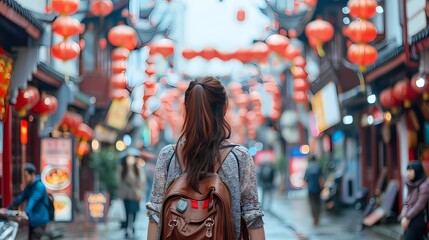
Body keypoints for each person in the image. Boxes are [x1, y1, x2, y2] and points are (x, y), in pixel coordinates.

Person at [146, 77, 265, 240]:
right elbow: (253, 218)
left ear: (186, 109)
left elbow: (155, 215)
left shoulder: (168, 156)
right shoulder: (239, 158)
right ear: (224, 109)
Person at [8, 163, 50, 240]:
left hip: (40, 220)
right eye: (23, 176)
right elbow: (21, 198)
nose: (24, 179)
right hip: (32, 220)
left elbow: (33, 200)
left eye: (26, 176)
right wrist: (9, 208)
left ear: (32, 174)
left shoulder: (39, 186)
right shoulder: (29, 186)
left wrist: (25, 211)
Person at [118, 147, 144, 239]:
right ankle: (127, 229)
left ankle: (132, 226)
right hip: (126, 195)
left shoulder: (138, 169)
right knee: (127, 212)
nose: (130, 159)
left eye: (132, 157)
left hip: (135, 195)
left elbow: (141, 181)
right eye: (129, 157)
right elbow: (121, 182)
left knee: (134, 213)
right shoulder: (123, 170)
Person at [399, 160, 429, 240]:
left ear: (417, 170)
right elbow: (406, 202)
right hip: (410, 217)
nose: (408, 173)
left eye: (411, 170)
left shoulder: (424, 185)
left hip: (420, 218)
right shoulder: (410, 184)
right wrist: (403, 216)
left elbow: (420, 205)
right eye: (407, 170)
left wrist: (407, 217)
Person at [304, 155, 324, 226]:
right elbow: (321, 179)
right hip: (318, 189)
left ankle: (314, 218)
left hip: (310, 189)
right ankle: (317, 218)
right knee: (318, 204)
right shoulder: (318, 167)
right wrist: (322, 187)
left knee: (312, 204)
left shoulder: (308, 168)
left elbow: (305, 180)